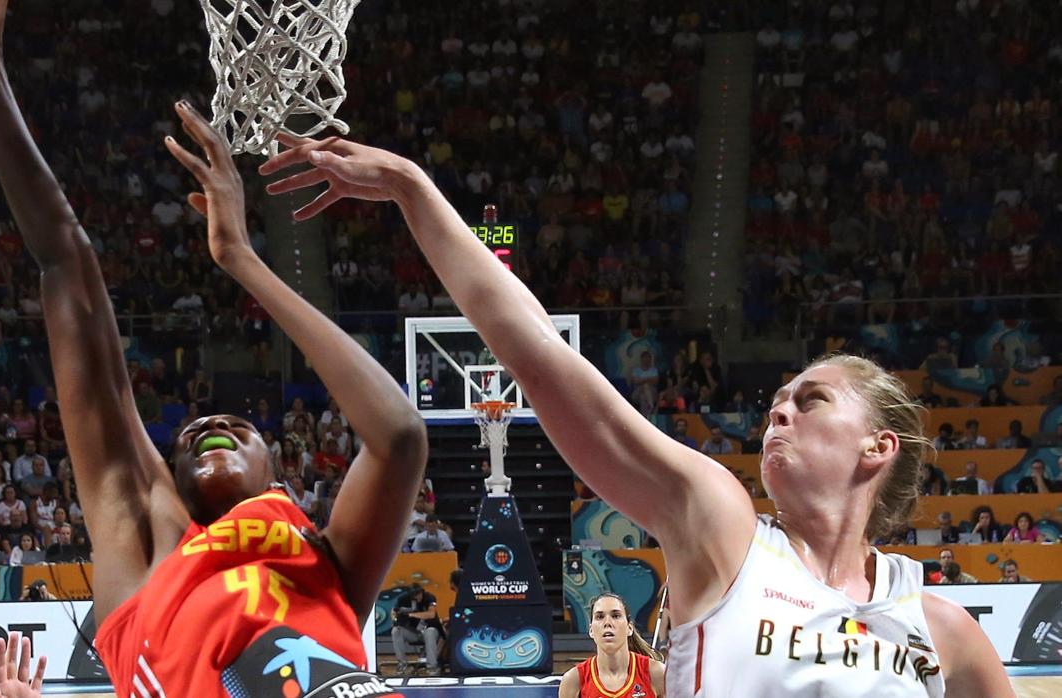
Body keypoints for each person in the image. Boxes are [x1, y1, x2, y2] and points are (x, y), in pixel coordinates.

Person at [264, 134, 1015, 695]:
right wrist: (411, 188)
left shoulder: (939, 628)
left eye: (809, 400)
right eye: (776, 400)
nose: (777, 413)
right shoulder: (719, 527)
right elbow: (541, 358)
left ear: (877, 446)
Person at [0, 4, 427, 696]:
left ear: (280, 477)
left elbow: (398, 436)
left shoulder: (324, 558)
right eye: (191, 435)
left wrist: (242, 260)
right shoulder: (145, 546)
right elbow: (66, 264)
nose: (212, 428)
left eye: (238, 429)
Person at [559, 593, 664, 698]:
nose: (607, 622)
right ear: (591, 631)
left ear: (630, 628)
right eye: (600, 617)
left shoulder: (656, 673)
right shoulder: (573, 680)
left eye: (616, 616)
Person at [391, 584, 440, 676]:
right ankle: (402, 665)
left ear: (421, 592)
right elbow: (393, 612)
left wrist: (412, 614)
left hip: (430, 630)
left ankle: (432, 667)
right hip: (414, 632)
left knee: (430, 632)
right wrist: (395, 620)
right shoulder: (403, 599)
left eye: (418, 594)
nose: (416, 597)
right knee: (396, 631)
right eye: (413, 595)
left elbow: (431, 614)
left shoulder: (429, 597)